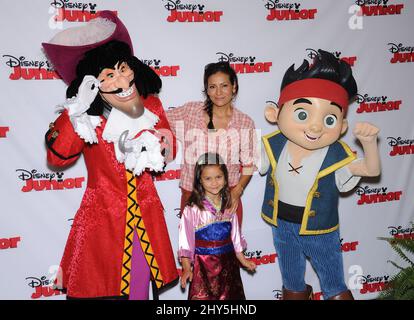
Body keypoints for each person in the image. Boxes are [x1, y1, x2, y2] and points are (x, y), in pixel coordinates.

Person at [42, 11, 178, 299]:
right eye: (109, 75)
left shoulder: (150, 106)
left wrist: (153, 143)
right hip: (101, 223)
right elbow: (57, 159)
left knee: (138, 292)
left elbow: (168, 150)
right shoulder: (85, 119)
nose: (120, 79)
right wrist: (75, 110)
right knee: (100, 290)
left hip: (143, 224)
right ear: (93, 83)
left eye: (123, 68)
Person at [260, 50, 381, 300]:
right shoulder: (272, 144)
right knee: (291, 279)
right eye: (303, 114)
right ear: (274, 114)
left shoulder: (337, 155)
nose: (315, 126)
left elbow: (371, 170)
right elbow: (244, 162)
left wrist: (369, 144)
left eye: (329, 119)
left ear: (342, 127)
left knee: (333, 282)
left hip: (320, 230)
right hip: (281, 224)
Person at [166, 62, 257, 225]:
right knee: (192, 249)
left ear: (234, 87)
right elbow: (158, 118)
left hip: (228, 198)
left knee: (228, 249)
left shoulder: (244, 122)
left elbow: (249, 164)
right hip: (192, 196)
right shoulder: (190, 111)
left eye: (224, 86)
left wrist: (237, 191)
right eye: (212, 87)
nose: (219, 92)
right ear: (206, 90)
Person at [178, 152, 256, 300]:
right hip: (203, 267)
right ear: (200, 181)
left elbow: (235, 236)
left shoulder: (229, 205)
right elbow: (185, 242)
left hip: (229, 265)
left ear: (226, 178)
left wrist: (242, 259)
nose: (214, 183)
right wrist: (187, 268)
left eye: (218, 177)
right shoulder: (192, 209)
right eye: (208, 178)